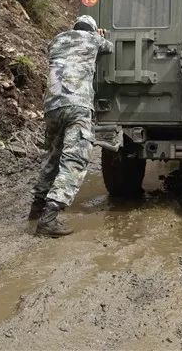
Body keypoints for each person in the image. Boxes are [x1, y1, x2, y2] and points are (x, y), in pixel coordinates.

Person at [29, 15, 114, 237]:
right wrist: (98, 36)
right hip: (77, 105)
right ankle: (48, 219)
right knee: (74, 160)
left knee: (53, 157)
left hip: (52, 107)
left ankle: (35, 210)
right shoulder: (93, 40)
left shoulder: (56, 41)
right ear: (92, 30)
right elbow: (110, 47)